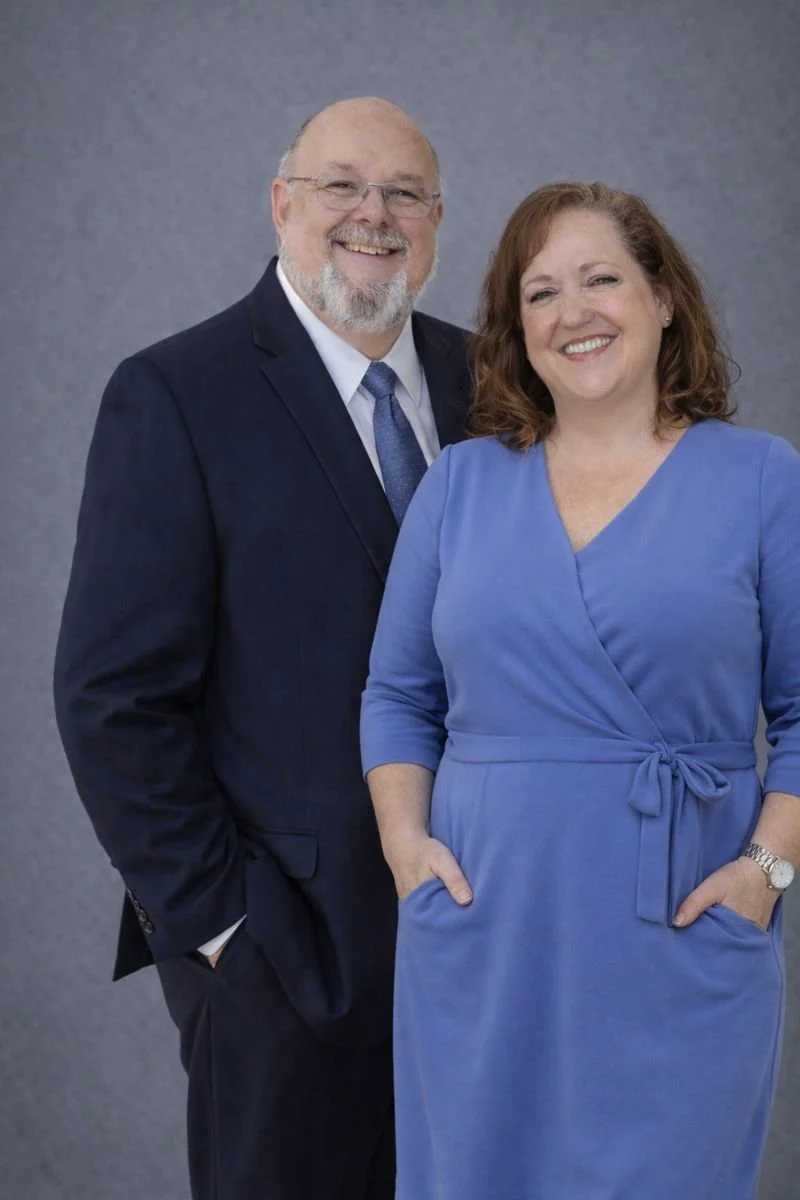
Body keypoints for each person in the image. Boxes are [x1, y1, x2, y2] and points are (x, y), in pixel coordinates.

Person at [53, 97, 470, 1200]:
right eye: (341, 185)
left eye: (403, 194)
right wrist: (226, 931)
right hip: (289, 963)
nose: (372, 215)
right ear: (281, 203)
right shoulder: (177, 395)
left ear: (435, 221)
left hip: (494, 947)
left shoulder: (496, 388)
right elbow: (111, 698)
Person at [360, 180, 800, 1200]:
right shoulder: (460, 484)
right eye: (540, 293)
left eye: (599, 278)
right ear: (516, 332)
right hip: (483, 932)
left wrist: (764, 878)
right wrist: (403, 849)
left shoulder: (763, 481)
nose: (573, 313)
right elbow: (394, 692)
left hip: (681, 928)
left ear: (660, 299)